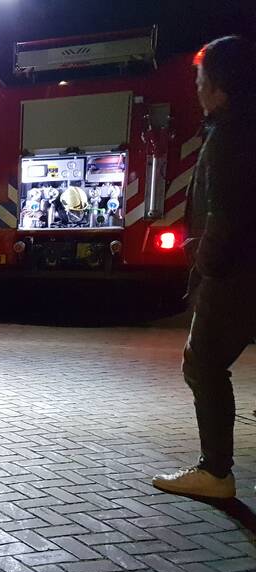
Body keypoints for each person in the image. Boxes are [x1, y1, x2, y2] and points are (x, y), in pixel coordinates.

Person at [152, 36, 256, 499]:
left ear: (220, 86)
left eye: (200, 80)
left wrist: (205, 261)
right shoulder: (240, 127)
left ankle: (215, 473)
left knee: (203, 364)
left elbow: (225, 212)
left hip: (232, 275)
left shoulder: (231, 136)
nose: (196, 88)